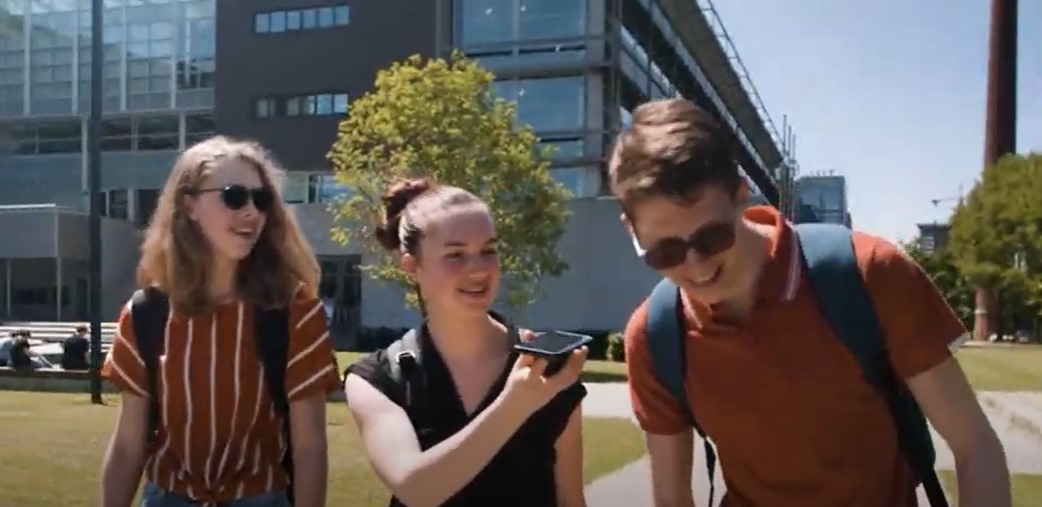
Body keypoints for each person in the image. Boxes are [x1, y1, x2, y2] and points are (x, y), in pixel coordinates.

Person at [609, 98, 1010, 507]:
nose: (695, 266)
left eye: (712, 237)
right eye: (665, 252)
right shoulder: (656, 335)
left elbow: (973, 444)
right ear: (632, 231)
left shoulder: (866, 274)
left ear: (740, 195)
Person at [99, 136, 341, 507]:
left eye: (261, 200)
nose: (252, 213)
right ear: (189, 205)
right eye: (234, 196)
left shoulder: (295, 312)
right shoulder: (146, 314)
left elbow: (310, 448)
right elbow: (129, 444)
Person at [343, 177, 589, 507]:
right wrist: (516, 404)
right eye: (455, 254)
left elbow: (571, 500)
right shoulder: (379, 379)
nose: (478, 270)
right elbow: (416, 489)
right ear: (411, 266)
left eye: (488, 251)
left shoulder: (547, 367)